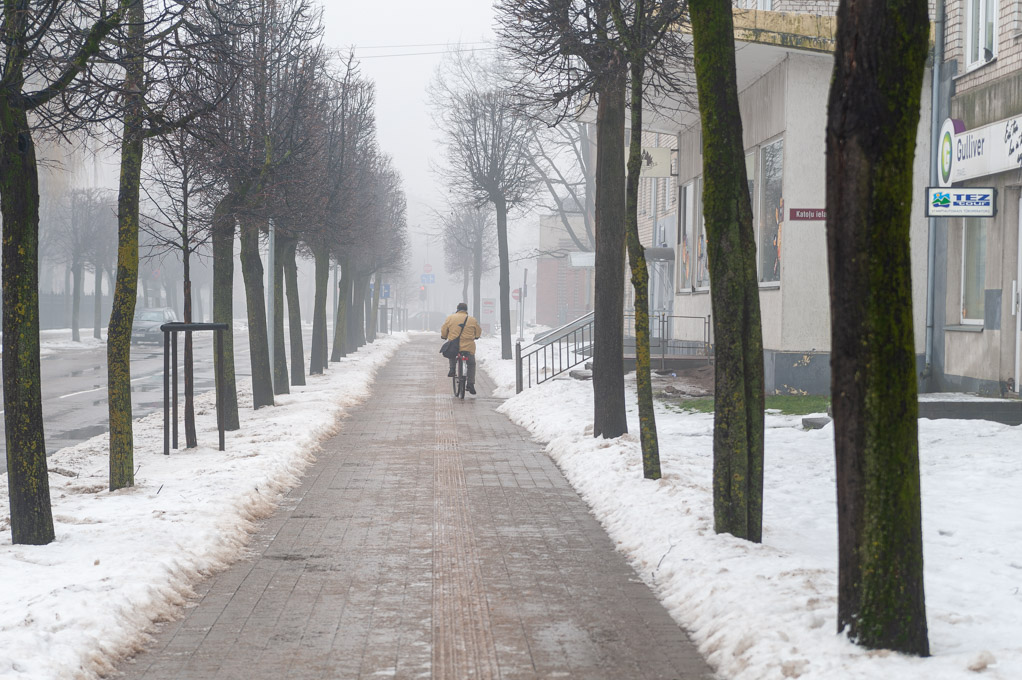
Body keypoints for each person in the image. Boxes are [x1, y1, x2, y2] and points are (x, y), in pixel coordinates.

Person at [441, 302, 482, 394]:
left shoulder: (450, 318)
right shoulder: (472, 320)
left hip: (454, 345)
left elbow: (444, 329)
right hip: (468, 346)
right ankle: (470, 383)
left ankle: (452, 369)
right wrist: (476, 336)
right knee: (471, 364)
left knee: (451, 352)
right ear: (466, 310)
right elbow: (478, 331)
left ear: (457, 309)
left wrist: (444, 336)